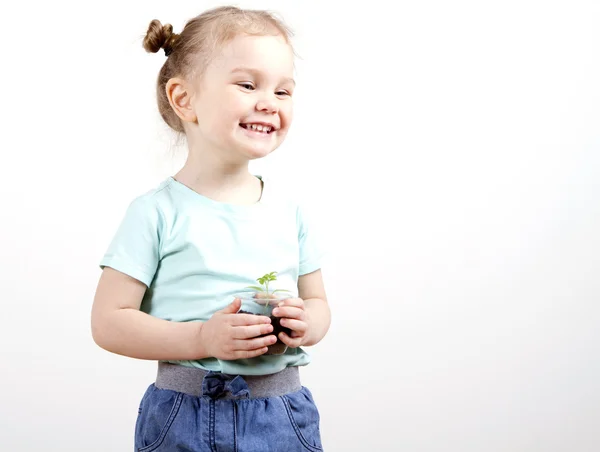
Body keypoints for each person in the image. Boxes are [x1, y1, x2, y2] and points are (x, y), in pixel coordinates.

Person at [91, 5, 330, 451]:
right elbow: (108, 323)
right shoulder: (155, 213)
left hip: (281, 415)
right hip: (185, 413)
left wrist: (307, 322)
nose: (269, 102)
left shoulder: (289, 211)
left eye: (284, 91)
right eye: (247, 84)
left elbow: (318, 304)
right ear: (184, 99)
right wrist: (201, 337)